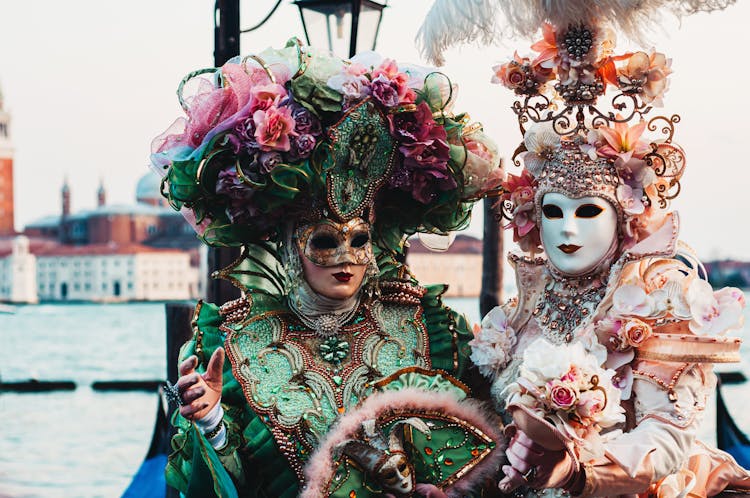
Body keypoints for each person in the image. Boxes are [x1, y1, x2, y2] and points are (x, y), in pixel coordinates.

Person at [150, 39, 505, 497]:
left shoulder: (430, 327)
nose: (345, 257)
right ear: (288, 244)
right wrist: (213, 421)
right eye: (323, 241)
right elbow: (221, 485)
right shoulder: (233, 344)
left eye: (358, 240)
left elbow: (486, 458)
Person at [454, 14, 750, 498]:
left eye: (589, 211)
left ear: (624, 219)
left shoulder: (659, 299)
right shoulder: (512, 318)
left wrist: (577, 473)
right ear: (533, 214)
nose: (567, 228)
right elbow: (489, 437)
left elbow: (666, 440)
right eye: (553, 210)